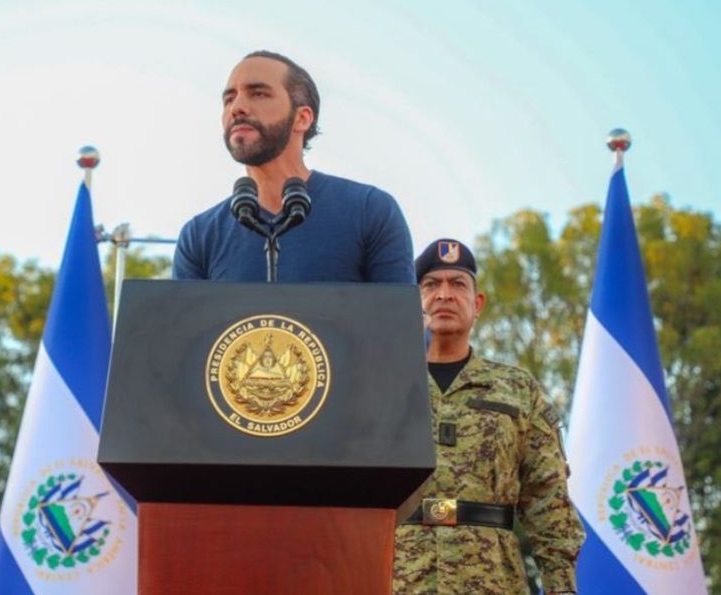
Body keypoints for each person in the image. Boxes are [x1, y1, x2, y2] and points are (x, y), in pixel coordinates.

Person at [395, 238, 582, 594]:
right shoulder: (382, 385)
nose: (444, 295)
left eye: (458, 284)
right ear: (411, 301)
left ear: (477, 304)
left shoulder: (517, 388)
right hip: (399, 575)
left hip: (493, 578)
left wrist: (562, 586)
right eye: (431, 285)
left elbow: (548, 499)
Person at [173, 50, 414, 283]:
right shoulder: (199, 236)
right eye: (229, 99)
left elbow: (396, 321)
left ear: (302, 118)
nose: (237, 108)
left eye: (258, 94)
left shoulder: (370, 211)